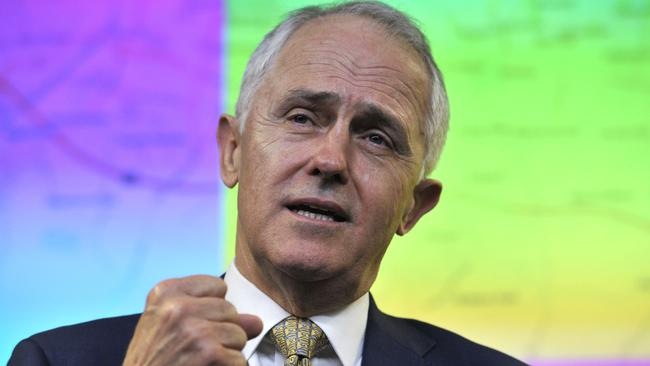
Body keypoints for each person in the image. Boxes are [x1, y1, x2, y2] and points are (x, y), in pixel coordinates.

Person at [9, 2, 527, 365]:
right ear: (232, 152)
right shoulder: (55, 360)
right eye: (302, 118)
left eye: (375, 137)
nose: (331, 159)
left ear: (414, 208)